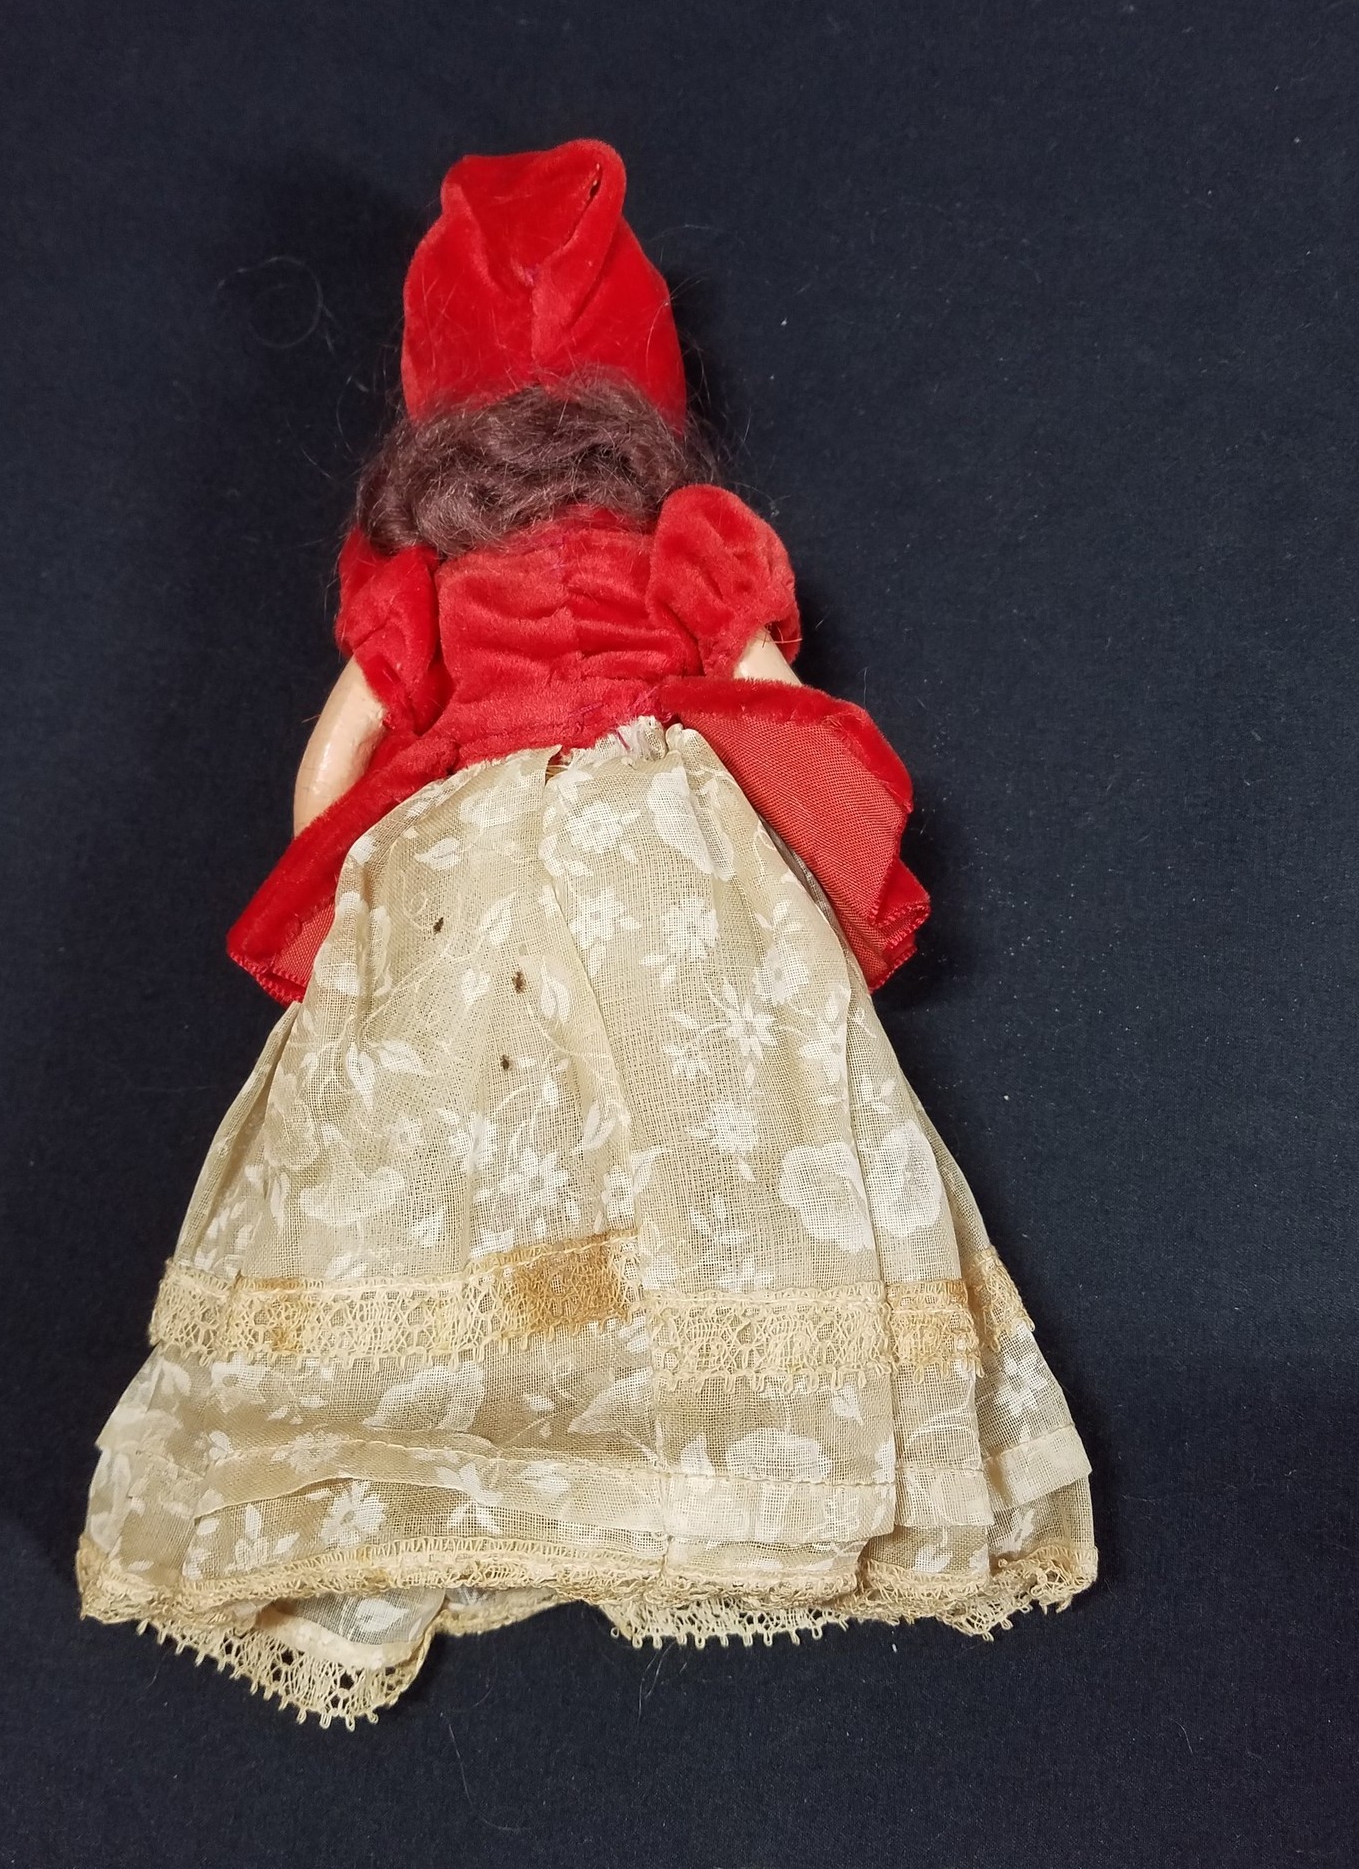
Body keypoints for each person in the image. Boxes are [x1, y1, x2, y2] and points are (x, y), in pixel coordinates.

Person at [77, 138, 1096, 1729]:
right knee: (703, 1118)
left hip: (461, 864)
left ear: (437, 405)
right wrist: (833, 834)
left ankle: (487, 1441)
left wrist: (340, 891)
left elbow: (336, 758)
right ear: (640, 399)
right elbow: (772, 696)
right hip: (660, 844)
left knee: (457, 1145)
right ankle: (701, 1444)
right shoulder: (680, 541)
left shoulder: (425, 574)